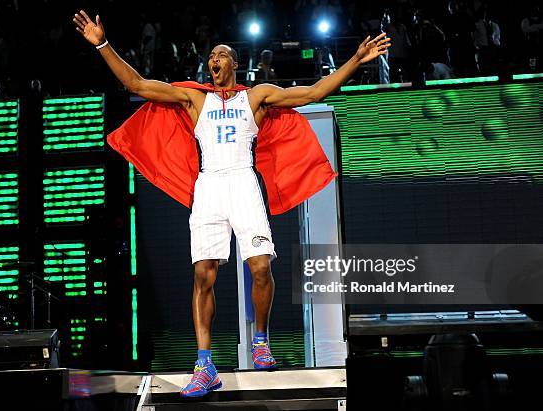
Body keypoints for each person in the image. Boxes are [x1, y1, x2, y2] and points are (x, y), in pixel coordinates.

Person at [73, 9, 390, 398]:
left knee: (260, 267)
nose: (213, 62)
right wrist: (102, 44)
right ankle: (205, 365)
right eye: (210, 59)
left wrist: (356, 59)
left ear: (234, 64)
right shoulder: (193, 99)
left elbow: (313, 93)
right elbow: (136, 82)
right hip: (208, 187)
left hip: (243, 181)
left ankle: (260, 340)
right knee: (203, 275)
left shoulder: (255, 97)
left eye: (220, 56)